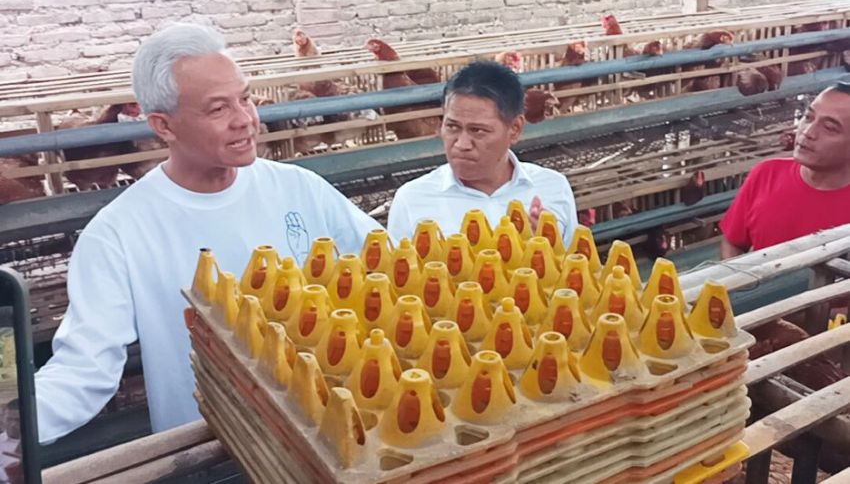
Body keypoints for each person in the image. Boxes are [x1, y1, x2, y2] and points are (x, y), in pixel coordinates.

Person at [34, 23, 381, 443]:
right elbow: (84, 369)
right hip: (212, 450)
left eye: (246, 98)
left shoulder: (299, 188)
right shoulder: (119, 234)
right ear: (163, 126)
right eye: (219, 109)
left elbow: (388, 271)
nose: (245, 120)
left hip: (329, 440)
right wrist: (15, 434)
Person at [388, 61, 577, 242]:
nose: (462, 144)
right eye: (452, 127)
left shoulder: (553, 188)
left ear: (515, 129)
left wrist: (550, 251)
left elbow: (577, 267)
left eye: (477, 130)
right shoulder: (412, 200)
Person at [720, 82, 850, 259]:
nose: (807, 132)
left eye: (829, 127)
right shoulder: (766, 174)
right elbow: (733, 242)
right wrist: (737, 284)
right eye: (808, 117)